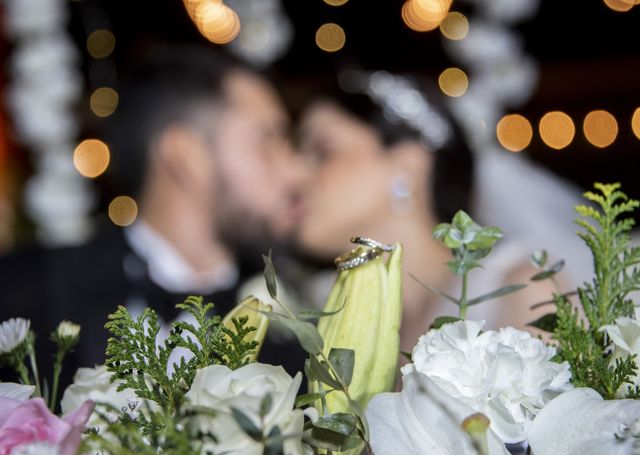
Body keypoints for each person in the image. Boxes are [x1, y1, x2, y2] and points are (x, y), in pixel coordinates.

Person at [0, 45, 308, 387]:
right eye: (267, 140)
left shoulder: (299, 334)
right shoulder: (24, 290)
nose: (295, 172)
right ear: (185, 154)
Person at [293, 69, 562, 352]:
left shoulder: (522, 291)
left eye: (322, 151)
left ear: (407, 165)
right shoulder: (328, 322)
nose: (294, 175)